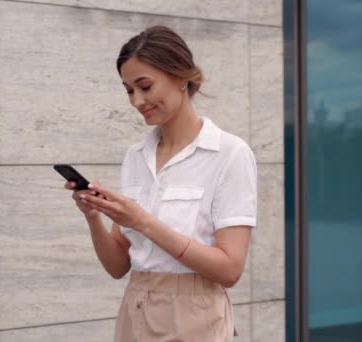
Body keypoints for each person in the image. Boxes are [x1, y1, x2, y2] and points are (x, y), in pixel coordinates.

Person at [64, 25, 257, 342]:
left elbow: (230, 270)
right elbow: (117, 266)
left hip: (195, 320)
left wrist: (142, 222)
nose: (136, 100)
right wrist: (93, 215)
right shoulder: (136, 156)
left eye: (145, 86)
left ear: (181, 77)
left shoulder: (229, 154)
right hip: (134, 313)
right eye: (128, 90)